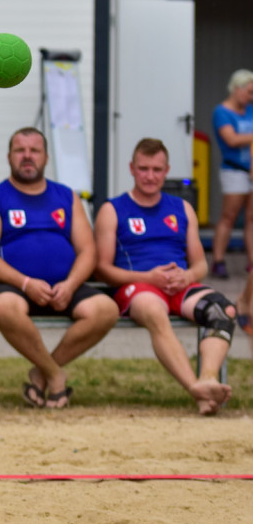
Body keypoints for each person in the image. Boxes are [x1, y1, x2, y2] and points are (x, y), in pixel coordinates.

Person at [0, 127, 119, 409]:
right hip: (14, 288)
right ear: (9, 157)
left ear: (46, 157)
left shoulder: (66, 197)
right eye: (20, 150)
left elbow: (88, 251)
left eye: (34, 150)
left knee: (106, 309)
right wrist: (26, 283)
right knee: (4, 308)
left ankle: (40, 373)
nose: (27, 157)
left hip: (63, 287)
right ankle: (54, 374)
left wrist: (71, 284)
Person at [94, 138, 234, 415]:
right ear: (131, 169)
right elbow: (102, 269)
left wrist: (188, 275)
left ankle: (207, 378)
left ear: (167, 170)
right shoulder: (113, 210)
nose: (150, 176)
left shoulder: (182, 209)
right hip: (138, 287)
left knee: (223, 310)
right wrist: (147, 277)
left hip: (179, 286)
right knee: (154, 311)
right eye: (143, 169)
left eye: (157, 170)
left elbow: (200, 265)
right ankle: (195, 389)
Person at [208, 69, 253, 278]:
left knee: (251, 219)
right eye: (249, 92)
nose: (251, 97)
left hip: (251, 171)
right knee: (229, 217)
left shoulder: (250, 110)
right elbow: (231, 139)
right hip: (234, 170)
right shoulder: (222, 112)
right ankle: (218, 260)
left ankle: (251, 263)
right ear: (237, 89)